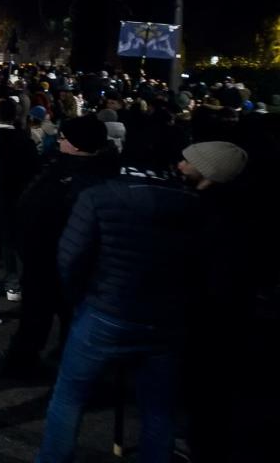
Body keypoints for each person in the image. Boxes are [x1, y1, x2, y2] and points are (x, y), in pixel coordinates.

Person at [34, 143, 231, 463]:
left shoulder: (99, 196)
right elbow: (204, 267)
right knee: (158, 407)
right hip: (167, 318)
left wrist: (80, 298)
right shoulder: (195, 205)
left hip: (106, 310)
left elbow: (70, 258)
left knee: (70, 396)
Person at [0, 113, 118, 378]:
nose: (59, 142)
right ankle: (27, 359)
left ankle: (61, 366)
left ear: (76, 145)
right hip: (45, 257)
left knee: (59, 316)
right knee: (39, 316)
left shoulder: (84, 179)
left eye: (63, 138)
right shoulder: (71, 168)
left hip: (64, 260)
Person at [0, 98, 41, 322]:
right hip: (17, 201)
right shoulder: (25, 140)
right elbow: (35, 173)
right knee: (12, 248)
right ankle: (14, 286)